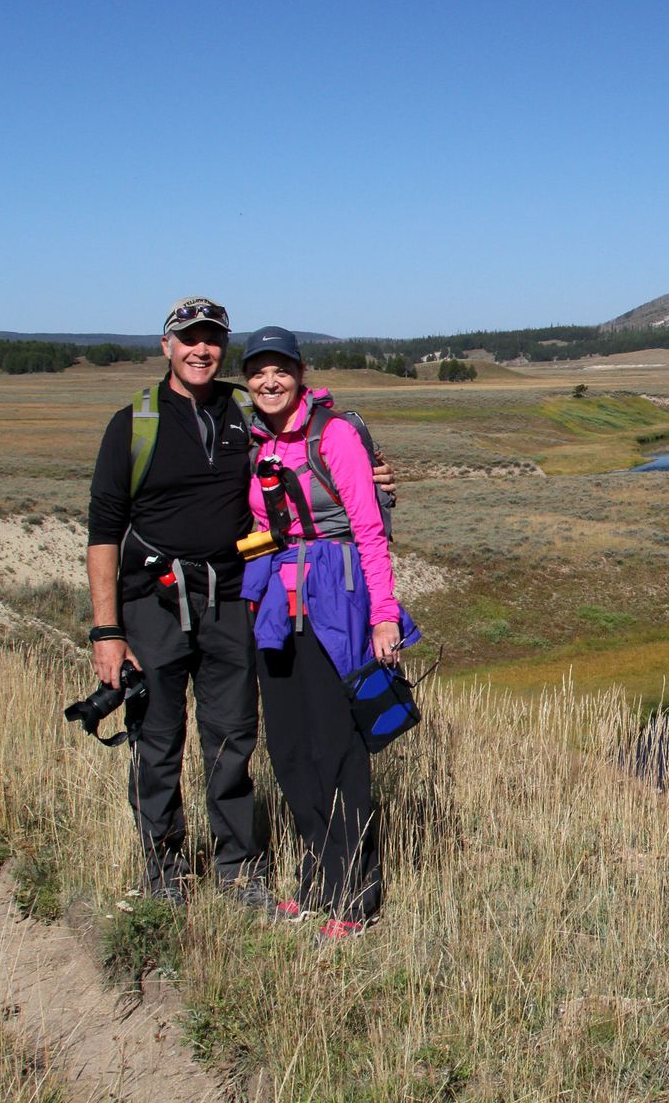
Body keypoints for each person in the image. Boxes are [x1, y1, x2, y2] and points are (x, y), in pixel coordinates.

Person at [85, 297, 392, 911]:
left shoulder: (239, 415)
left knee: (235, 739)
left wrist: (374, 474)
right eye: (188, 338)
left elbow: (326, 465)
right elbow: (102, 529)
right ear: (166, 345)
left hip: (236, 602)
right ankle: (165, 868)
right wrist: (106, 629)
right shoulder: (134, 425)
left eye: (212, 339)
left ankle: (238, 869)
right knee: (160, 740)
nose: (201, 349)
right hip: (158, 602)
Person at [236, 324, 419, 940]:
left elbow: (369, 530)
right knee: (289, 747)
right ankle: (316, 882)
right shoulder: (255, 442)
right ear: (247, 380)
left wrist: (384, 615)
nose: (269, 381)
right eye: (258, 371)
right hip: (275, 608)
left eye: (280, 370)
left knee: (338, 750)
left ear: (299, 373)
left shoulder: (333, 435)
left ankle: (355, 897)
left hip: (337, 602)